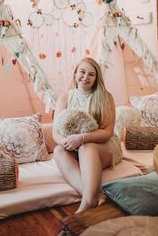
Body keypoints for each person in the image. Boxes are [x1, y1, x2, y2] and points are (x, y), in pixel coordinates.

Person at [53, 57, 122, 214]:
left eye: (91, 74)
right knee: (58, 151)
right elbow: (55, 132)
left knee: (87, 147)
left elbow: (107, 133)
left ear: (96, 78)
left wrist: (81, 138)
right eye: (82, 72)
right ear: (75, 73)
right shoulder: (65, 97)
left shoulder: (105, 97)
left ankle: (88, 203)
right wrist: (67, 142)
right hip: (74, 146)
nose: (85, 77)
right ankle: (94, 195)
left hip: (104, 145)